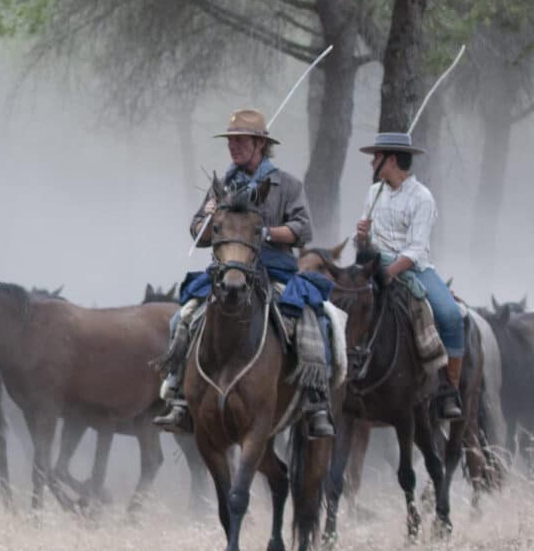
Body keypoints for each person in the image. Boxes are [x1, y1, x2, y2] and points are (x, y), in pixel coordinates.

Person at [151, 108, 336, 437]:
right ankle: (178, 396)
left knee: (313, 319)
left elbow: (303, 230)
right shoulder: (222, 186)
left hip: (274, 270)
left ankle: (316, 401)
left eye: (240, 140)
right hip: (226, 273)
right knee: (183, 318)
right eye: (231, 140)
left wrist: (266, 233)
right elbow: (198, 232)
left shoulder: (288, 185)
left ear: (260, 144)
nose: (233, 146)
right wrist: (206, 217)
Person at [353, 129, 465, 423]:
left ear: (390, 160)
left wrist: (390, 272)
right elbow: (366, 241)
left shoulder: (422, 197)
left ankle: (449, 388)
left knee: (450, 315)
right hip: (374, 262)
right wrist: (361, 237)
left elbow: (416, 249)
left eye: (375, 157)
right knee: (343, 299)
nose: (371, 162)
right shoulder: (374, 192)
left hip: (413, 268)